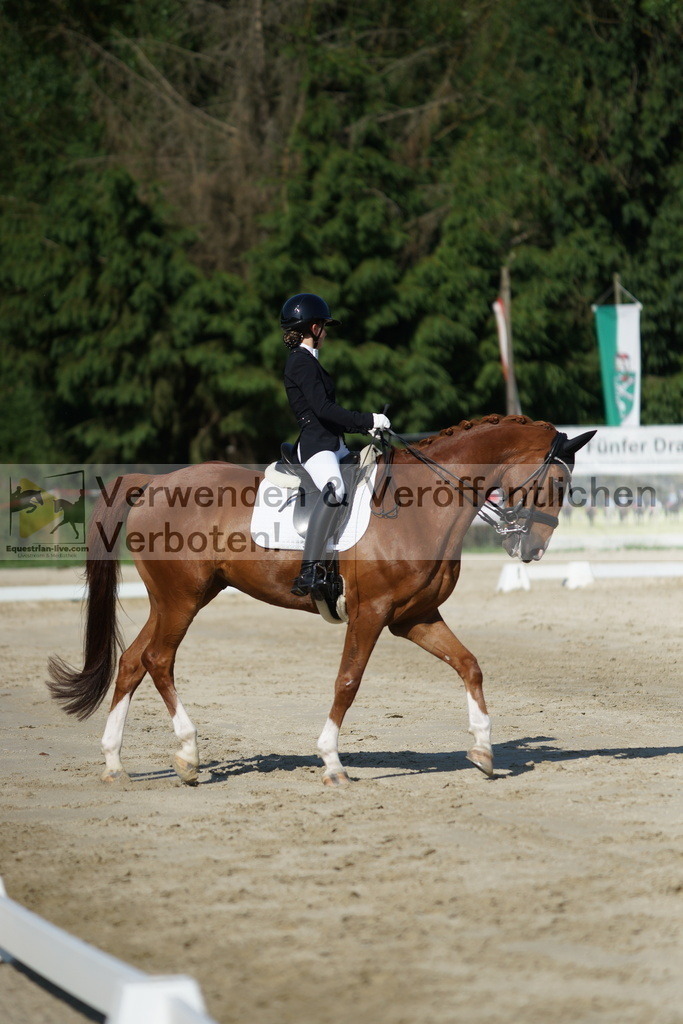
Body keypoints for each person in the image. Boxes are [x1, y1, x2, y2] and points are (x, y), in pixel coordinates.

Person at [280, 293, 391, 596]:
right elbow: (324, 410)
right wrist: (368, 419)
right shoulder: (300, 363)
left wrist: (367, 429)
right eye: (324, 327)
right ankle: (309, 571)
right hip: (316, 446)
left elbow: (331, 415)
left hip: (332, 442)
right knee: (335, 488)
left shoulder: (310, 362)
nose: (326, 332)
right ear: (314, 328)